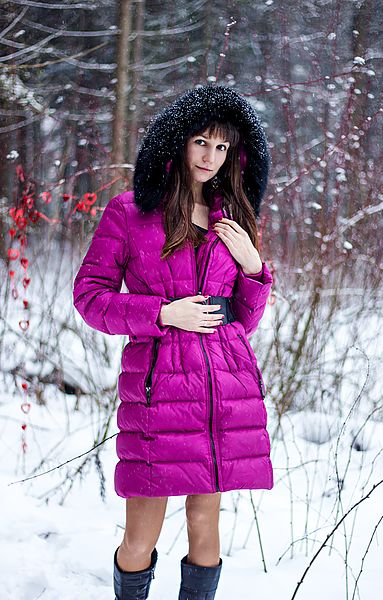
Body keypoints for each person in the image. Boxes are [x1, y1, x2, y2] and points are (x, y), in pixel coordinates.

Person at [73, 84, 274, 600]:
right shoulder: (131, 211)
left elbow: (241, 321)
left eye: (223, 147)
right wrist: (162, 313)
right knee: (142, 531)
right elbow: (90, 297)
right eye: (201, 142)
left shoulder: (235, 215)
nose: (210, 157)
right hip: (160, 387)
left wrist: (253, 267)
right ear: (178, 142)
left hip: (223, 391)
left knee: (207, 524)